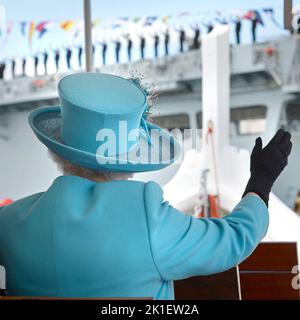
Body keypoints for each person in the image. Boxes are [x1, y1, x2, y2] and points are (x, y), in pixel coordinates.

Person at [0, 73, 292, 299]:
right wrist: (261, 180)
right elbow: (234, 239)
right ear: (130, 160)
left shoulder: (10, 222)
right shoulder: (146, 216)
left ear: (58, 150)